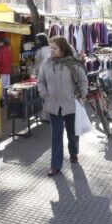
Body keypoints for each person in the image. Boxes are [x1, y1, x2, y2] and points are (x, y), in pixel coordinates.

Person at [37, 36, 88, 176]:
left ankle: (74, 153)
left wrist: (81, 94)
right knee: (56, 136)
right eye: (50, 47)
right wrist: (44, 93)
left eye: (54, 48)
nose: (51, 50)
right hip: (53, 105)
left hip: (71, 104)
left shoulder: (73, 63)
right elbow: (40, 80)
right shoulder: (47, 63)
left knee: (72, 134)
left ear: (62, 49)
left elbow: (84, 80)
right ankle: (55, 165)